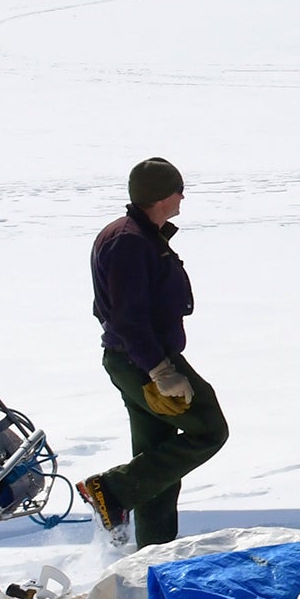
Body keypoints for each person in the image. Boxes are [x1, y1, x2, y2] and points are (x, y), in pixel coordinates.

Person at [77, 156, 227, 547]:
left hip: (136, 358)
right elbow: (128, 317)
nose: (183, 198)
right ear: (164, 195)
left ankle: (153, 557)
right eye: (179, 190)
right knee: (210, 429)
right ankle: (111, 489)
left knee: (157, 460)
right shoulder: (128, 241)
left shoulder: (136, 235)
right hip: (143, 361)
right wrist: (160, 370)